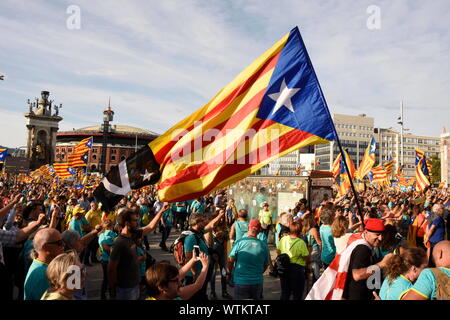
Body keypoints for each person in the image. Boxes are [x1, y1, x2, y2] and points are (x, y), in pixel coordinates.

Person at [108, 203, 168, 300]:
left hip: (136, 285)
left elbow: (150, 227)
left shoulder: (133, 234)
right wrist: (112, 289)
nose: (137, 223)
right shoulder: (119, 243)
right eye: (135, 221)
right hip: (125, 289)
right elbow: (111, 269)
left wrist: (161, 210)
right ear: (127, 223)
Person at [183, 210, 225, 300]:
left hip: (201, 273)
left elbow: (211, 225)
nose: (205, 222)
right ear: (197, 223)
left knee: (202, 295)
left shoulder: (199, 233)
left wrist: (220, 215)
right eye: (202, 220)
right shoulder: (191, 237)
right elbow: (189, 258)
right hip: (194, 276)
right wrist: (195, 274)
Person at [227, 219, 269, 300]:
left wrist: (228, 274)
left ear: (248, 228)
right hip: (257, 282)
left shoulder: (239, 242)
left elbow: (230, 260)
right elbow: (266, 264)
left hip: (241, 282)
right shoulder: (263, 246)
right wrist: (257, 273)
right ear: (259, 231)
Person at [24, 227, 65, 300]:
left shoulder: (39, 264)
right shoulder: (44, 275)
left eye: (63, 241)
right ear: (45, 247)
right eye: (59, 243)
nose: (63, 245)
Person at [278, 221, 309, 300]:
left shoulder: (283, 239)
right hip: (297, 269)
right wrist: (307, 266)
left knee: (285, 292)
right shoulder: (301, 242)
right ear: (300, 231)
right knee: (297, 294)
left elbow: (279, 252)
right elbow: (306, 256)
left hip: (284, 268)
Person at [98, 219, 117, 300]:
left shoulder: (101, 235)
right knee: (112, 278)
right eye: (112, 225)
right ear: (111, 226)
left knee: (106, 279)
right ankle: (112, 294)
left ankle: (103, 296)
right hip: (110, 260)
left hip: (103, 259)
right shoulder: (111, 234)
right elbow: (107, 248)